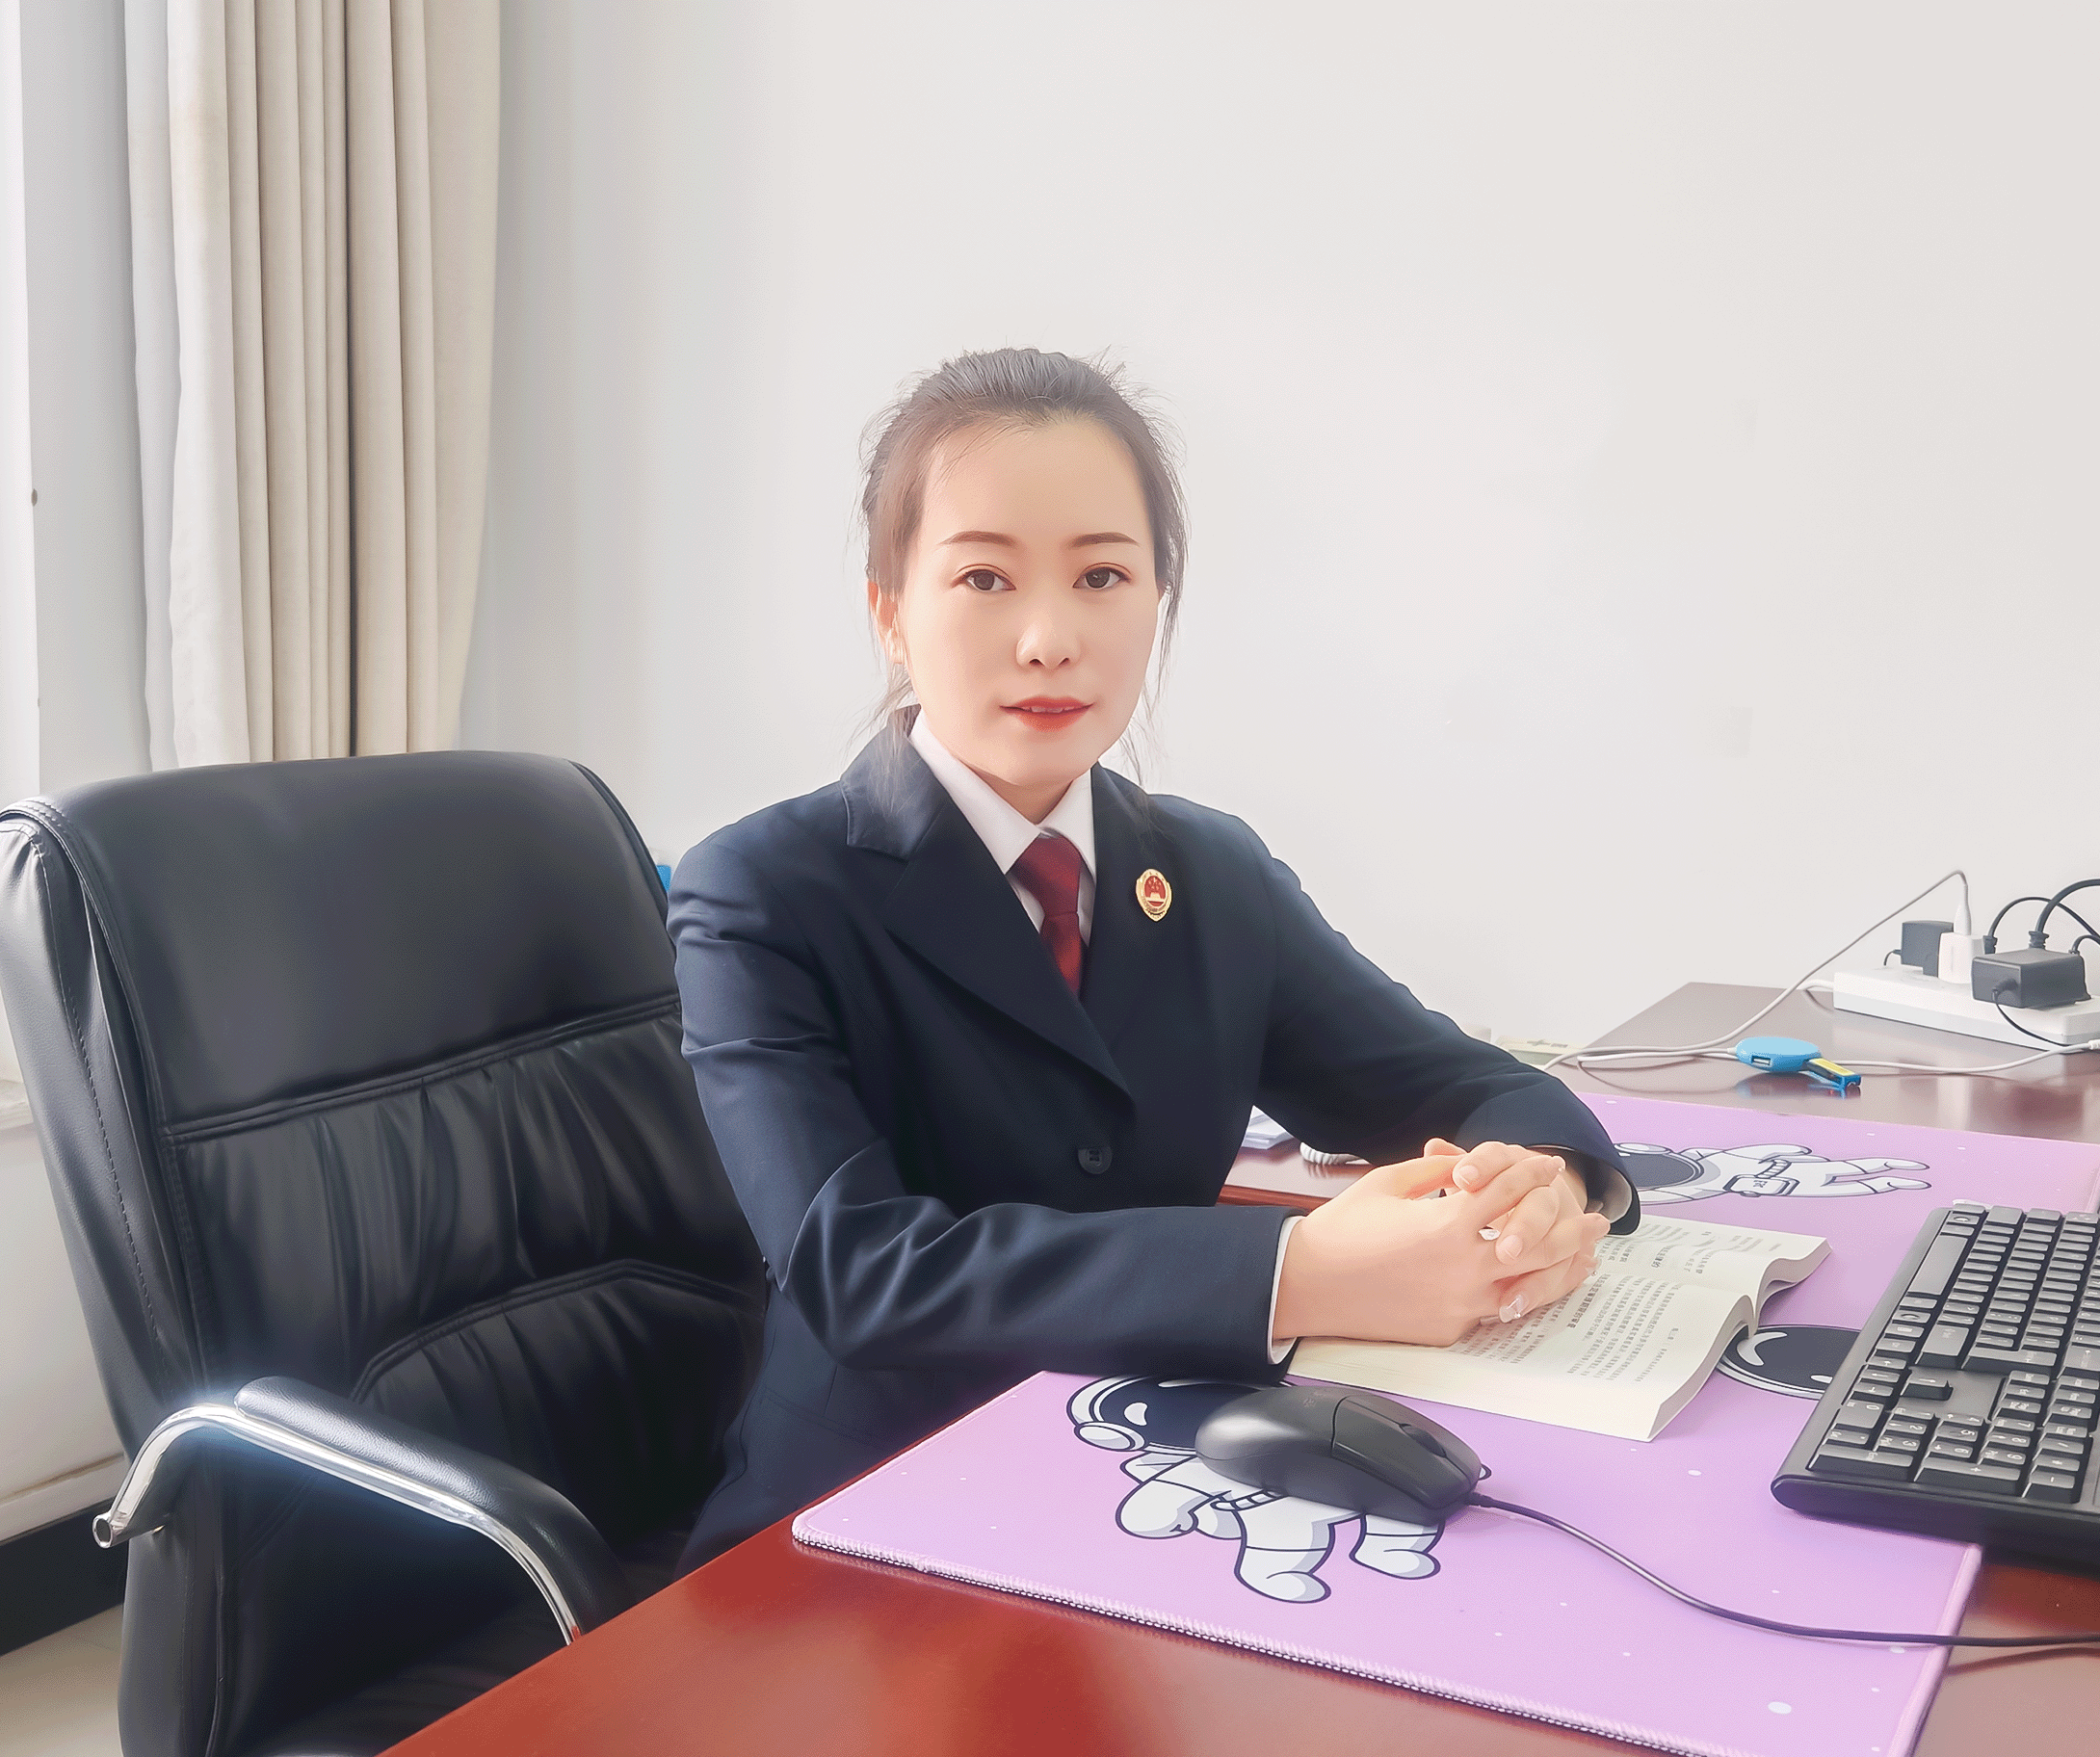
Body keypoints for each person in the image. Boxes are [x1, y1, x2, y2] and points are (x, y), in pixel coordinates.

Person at [667, 348, 1635, 1572]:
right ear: (891, 613)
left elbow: (1458, 1085)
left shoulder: (1211, 872)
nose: (1049, 638)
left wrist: (1544, 1185)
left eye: (1102, 576)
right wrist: (1297, 1273)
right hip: (864, 1521)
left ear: (1156, 602)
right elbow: (866, 1276)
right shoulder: (761, 890)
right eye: (983, 576)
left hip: (1161, 1488)